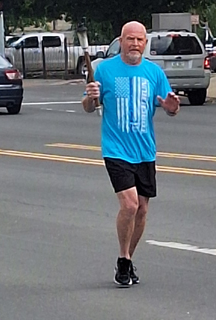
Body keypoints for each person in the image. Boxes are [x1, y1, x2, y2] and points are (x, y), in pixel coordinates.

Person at [81, 21, 181, 287]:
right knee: (130, 204)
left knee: (143, 209)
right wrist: (91, 97)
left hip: (145, 150)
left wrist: (172, 107)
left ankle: (125, 259)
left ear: (145, 43)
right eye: (130, 39)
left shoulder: (154, 73)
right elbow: (89, 107)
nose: (134, 44)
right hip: (116, 149)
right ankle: (124, 260)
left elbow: (168, 105)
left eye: (139, 40)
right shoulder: (105, 70)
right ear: (121, 41)